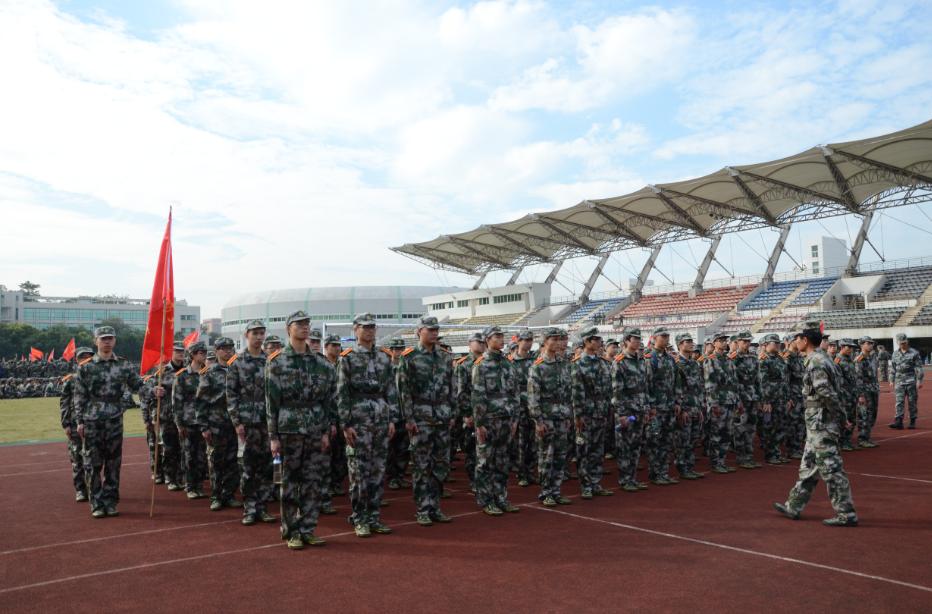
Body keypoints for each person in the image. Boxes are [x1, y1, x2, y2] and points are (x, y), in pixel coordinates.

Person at [774, 321, 858, 527]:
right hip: (816, 423)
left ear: (805, 341)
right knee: (809, 466)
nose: (795, 341)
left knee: (831, 468)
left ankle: (846, 513)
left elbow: (825, 393)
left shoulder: (816, 361)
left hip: (822, 422)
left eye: (798, 338)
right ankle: (794, 505)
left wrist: (841, 416)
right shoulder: (820, 358)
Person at [266, 311, 337, 550]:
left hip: (315, 428)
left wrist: (326, 431)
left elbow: (329, 401)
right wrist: (273, 437)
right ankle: (291, 530)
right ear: (289, 329)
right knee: (289, 482)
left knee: (313, 482)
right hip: (289, 429)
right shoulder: (277, 362)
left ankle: (308, 528)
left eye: (307, 324)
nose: (305, 328)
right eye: (299, 324)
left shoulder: (321, 363)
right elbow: (271, 403)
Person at [74, 326, 158, 518]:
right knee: (93, 463)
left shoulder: (123, 365)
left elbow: (137, 385)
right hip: (92, 420)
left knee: (113, 463)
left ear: (115, 341)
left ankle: (110, 502)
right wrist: (80, 421)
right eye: (103, 338)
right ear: (96, 341)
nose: (107, 341)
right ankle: (96, 503)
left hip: (114, 419)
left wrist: (153, 391)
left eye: (110, 338)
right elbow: (79, 396)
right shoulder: (86, 367)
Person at [336, 313, 399, 537]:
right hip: (358, 420)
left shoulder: (384, 357)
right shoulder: (348, 358)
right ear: (355, 330)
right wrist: (346, 423)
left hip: (381, 418)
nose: (370, 330)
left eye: (372, 327)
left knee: (378, 470)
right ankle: (359, 517)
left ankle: (374, 516)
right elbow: (342, 392)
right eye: (365, 327)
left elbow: (391, 389)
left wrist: (392, 419)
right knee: (359, 472)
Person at [396, 316, 456, 526]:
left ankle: (435, 506)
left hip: (442, 417)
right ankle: (423, 508)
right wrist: (409, 418)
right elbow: (404, 391)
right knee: (422, 465)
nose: (434, 333)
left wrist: (452, 413)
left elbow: (452, 387)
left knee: (441, 464)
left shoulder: (445, 357)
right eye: (430, 330)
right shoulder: (409, 357)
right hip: (420, 419)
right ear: (419, 331)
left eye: (436, 330)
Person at [226, 320, 276, 525]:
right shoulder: (237, 362)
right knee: (248, 467)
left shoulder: (270, 361)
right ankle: (250, 508)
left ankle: (262, 507)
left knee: (266, 466)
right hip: (247, 423)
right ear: (246, 335)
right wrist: (236, 422)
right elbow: (231, 394)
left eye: (262, 333)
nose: (259, 337)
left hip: (267, 422)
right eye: (255, 333)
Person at [471, 326, 520, 515]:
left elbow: (514, 393)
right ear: (487, 340)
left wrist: (514, 419)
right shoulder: (481, 365)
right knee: (485, 462)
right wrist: (479, 423)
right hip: (489, 421)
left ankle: (501, 497)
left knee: (502, 461)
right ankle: (486, 500)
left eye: (501, 336)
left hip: (506, 420)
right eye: (496, 336)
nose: (500, 339)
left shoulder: (508, 363)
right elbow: (478, 396)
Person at [528, 327, 572, 506]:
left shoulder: (563, 364)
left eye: (559, 339)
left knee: (560, 456)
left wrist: (568, 416)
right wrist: (538, 421)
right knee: (546, 456)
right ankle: (546, 492)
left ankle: (556, 490)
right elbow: (533, 397)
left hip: (561, 416)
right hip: (546, 418)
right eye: (553, 339)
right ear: (545, 342)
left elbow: (567, 392)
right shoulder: (538, 366)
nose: (558, 342)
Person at [196, 337, 241, 511]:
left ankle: (229, 495)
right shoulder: (209, 373)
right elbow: (201, 401)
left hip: (233, 423)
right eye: (223, 348)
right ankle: (216, 496)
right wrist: (204, 427)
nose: (228, 351)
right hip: (216, 423)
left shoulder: (237, 370)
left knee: (232, 461)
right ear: (216, 351)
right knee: (216, 461)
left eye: (230, 348)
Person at [569, 326, 613, 499]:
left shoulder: (603, 363)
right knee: (584, 451)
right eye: (595, 339)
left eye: (599, 339)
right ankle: (586, 485)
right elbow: (576, 393)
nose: (599, 342)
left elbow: (608, 390)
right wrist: (578, 416)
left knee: (598, 450)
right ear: (587, 342)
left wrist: (607, 410)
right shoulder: (578, 364)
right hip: (586, 415)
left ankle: (596, 483)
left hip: (601, 413)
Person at [612, 328, 650, 491]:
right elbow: (617, 391)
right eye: (635, 339)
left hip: (639, 410)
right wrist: (621, 414)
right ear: (627, 341)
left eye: (639, 339)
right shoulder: (619, 362)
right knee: (625, 446)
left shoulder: (641, 360)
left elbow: (644, 387)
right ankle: (625, 479)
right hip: (627, 412)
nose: (638, 341)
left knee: (635, 446)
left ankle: (632, 478)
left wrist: (646, 408)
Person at [172, 341, 209, 499]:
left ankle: (199, 486)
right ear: (193, 355)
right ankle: (190, 486)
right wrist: (179, 424)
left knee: (201, 456)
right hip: (188, 422)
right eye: (201, 353)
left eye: (205, 353)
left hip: (204, 422)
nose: (204, 355)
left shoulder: (207, 374)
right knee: (189, 455)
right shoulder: (182, 376)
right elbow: (176, 402)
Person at [60, 347, 95, 502]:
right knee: (77, 458)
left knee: (94, 459)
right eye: (83, 357)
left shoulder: (98, 378)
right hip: (75, 424)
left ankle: (94, 488)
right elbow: (64, 403)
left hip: (94, 423)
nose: (87, 360)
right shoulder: (71, 380)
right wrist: (66, 424)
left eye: (89, 357)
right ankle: (80, 489)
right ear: (77, 360)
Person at [645, 327, 679, 485]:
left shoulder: (670, 359)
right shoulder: (650, 358)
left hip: (669, 406)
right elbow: (647, 385)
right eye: (663, 336)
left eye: (667, 336)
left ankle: (663, 472)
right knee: (655, 441)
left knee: (667, 441)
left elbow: (675, 382)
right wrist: (651, 406)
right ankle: (655, 473)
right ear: (654, 338)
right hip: (656, 408)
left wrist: (677, 401)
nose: (666, 339)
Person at [454, 332, 485, 492]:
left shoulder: (487, 362)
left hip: (487, 412)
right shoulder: (464, 364)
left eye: (483, 342)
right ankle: (474, 480)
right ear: (470, 344)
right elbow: (461, 392)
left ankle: (485, 480)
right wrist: (466, 414)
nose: (481, 344)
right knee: (472, 450)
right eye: (477, 342)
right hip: (471, 412)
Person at [703, 332, 737, 474]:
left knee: (727, 433)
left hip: (730, 400)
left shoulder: (729, 360)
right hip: (718, 402)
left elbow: (734, 382)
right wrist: (713, 404)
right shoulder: (710, 360)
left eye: (725, 340)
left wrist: (736, 400)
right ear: (714, 343)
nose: (724, 342)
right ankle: (716, 462)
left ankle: (722, 461)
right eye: (721, 340)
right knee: (716, 433)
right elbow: (709, 385)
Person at [673, 333, 705, 480]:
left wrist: (700, 407)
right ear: (680, 344)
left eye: (692, 341)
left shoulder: (695, 364)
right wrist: (682, 409)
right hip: (685, 408)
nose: (691, 344)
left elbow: (699, 387)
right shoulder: (676, 364)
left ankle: (690, 467)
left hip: (695, 407)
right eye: (688, 341)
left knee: (693, 439)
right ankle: (682, 468)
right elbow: (676, 389)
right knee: (683, 440)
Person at [509, 331, 537, 487]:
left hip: (533, 407)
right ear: (518, 341)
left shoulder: (535, 361)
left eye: (530, 340)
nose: (528, 343)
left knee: (534, 442)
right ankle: (522, 474)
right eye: (525, 340)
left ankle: (530, 471)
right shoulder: (511, 362)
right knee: (520, 442)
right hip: (518, 407)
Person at [320, 333, 344, 515]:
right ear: (326, 347)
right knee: (326, 455)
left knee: (340, 453)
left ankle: (337, 482)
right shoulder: (321, 364)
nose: (336, 348)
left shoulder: (344, 363)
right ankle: (326, 488)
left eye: (338, 345)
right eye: (333, 345)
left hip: (342, 414)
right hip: (327, 416)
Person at [732, 331, 762, 470]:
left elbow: (758, 379)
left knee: (751, 428)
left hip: (752, 396)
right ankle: (741, 457)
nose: (747, 344)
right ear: (738, 342)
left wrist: (760, 397)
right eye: (744, 341)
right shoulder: (733, 358)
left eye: (748, 341)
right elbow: (732, 381)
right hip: (740, 397)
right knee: (740, 428)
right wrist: (736, 399)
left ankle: (749, 456)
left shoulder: (753, 357)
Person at [758, 334, 789, 464]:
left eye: (778, 343)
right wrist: (766, 401)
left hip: (781, 398)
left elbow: (785, 380)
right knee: (770, 427)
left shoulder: (780, 359)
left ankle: (776, 453)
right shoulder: (764, 360)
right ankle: (770, 454)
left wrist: (787, 398)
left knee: (780, 426)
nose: (777, 345)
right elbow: (763, 382)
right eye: (774, 343)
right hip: (771, 400)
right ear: (765, 345)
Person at [385, 337, 411, 491]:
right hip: (390, 416)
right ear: (391, 351)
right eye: (397, 349)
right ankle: (392, 477)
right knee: (390, 449)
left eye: (402, 349)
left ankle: (400, 476)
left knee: (404, 448)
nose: (399, 352)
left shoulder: (407, 368)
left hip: (404, 414)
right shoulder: (386, 368)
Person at [889, 333, 924, 429]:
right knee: (899, 401)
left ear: (907, 341)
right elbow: (893, 368)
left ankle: (912, 421)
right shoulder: (895, 353)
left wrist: (919, 380)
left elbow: (919, 367)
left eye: (904, 343)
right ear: (897, 343)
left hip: (911, 381)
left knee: (912, 402)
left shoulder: (914, 353)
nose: (903, 345)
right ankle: (899, 421)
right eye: (901, 343)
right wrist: (891, 380)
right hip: (899, 382)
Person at [783, 332, 806, 459]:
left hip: (802, 393)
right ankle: (791, 449)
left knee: (801, 422)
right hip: (793, 394)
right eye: (795, 340)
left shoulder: (800, 357)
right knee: (792, 422)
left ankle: (797, 447)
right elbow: (785, 380)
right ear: (790, 342)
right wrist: (788, 397)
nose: (798, 342)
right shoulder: (787, 357)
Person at [855, 336, 880, 448]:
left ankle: (867, 437)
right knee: (864, 415)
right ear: (862, 345)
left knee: (872, 414)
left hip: (873, 390)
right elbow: (858, 378)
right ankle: (863, 438)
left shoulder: (872, 357)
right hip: (865, 392)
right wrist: (860, 395)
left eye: (872, 343)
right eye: (868, 343)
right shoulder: (859, 359)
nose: (871, 345)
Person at [834, 339, 859, 450]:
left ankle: (847, 441)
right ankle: (842, 442)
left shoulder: (850, 360)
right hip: (844, 395)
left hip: (852, 394)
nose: (850, 349)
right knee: (844, 418)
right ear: (842, 347)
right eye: (848, 347)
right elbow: (837, 381)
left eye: (852, 347)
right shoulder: (837, 360)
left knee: (852, 418)